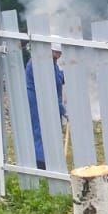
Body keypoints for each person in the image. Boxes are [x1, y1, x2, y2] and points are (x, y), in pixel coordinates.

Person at [25, 37, 66, 170]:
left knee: (49, 132)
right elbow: (50, 90)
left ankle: (47, 162)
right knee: (42, 132)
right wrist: (63, 110)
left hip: (46, 101)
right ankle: (41, 165)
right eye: (57, 53)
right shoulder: (40, 63)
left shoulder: (50, 61)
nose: (59, 56)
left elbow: (57, 76)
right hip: (38, 102)